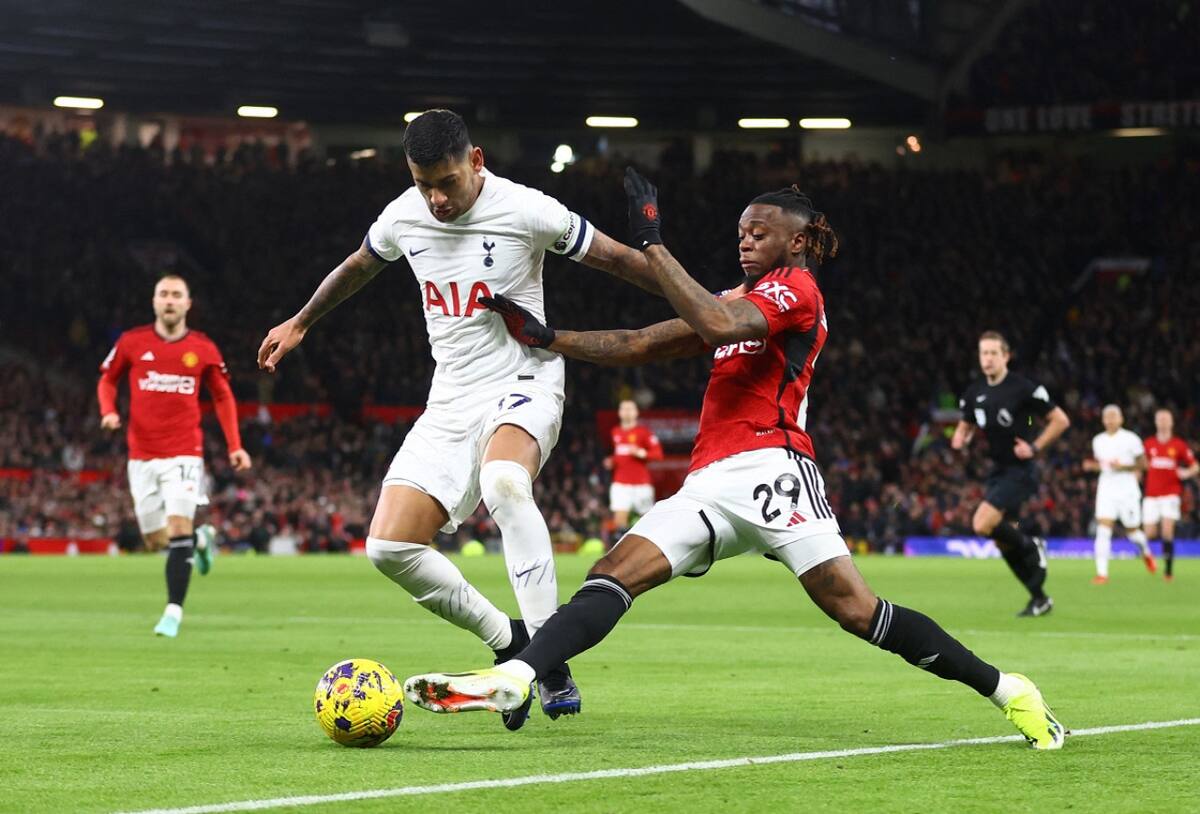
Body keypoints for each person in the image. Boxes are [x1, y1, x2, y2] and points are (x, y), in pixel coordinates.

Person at [402, 168, 1066, 751]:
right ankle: (517, 677)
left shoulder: (797, 290)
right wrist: (553, 338)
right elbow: (641, 342)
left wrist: (653, 245)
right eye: (741, 231)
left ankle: (1010, 690)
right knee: (614, 573)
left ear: (797, 240)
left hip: (775, 469)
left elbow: (719, 328)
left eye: (760, 231)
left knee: (857, 611)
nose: (745, 239)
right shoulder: (736, 298)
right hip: (712, 483)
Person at [256, 110, 665, 729]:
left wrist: (712, 308)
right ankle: (509, 642)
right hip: (450, 398)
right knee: (388, 547)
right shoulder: (403, 215)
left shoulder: (529, 210)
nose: (437, 198)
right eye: (425, 185)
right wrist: (301, 321)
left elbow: (617, 261)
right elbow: (358, 266)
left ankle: (547, 661)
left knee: (504, 482)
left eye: (447, 181)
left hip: (525, 378)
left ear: (477, 160)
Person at [97, 273, 252, 637]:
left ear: (187, 304)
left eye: (176, 295)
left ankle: (173, 612)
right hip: (141, 456)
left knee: (178, 526)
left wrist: (235, 445)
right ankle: (201, 540)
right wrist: (108, 411)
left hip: (184, 453)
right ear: (154, 302)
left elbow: (223, 396)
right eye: (163, 294)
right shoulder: (132, 343)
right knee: (155, 540)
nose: (169, 300)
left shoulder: (203, 348)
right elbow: (107, 379)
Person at [951, 332, 1070, 617]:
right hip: (997, 470)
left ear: (1006, 356)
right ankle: (1039, 598)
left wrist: (1035, 447)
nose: (988, 359)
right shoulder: (974, 393)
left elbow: (1060, 420)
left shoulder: (1022, 388)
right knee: (1002, 540)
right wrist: (959, 439)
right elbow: (964, 425)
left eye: (994, 353)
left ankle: (1034, 545)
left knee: (981, 523)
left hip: (1020, 470)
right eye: (984, 353)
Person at [1083, 405, 1153, 583]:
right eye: (1107, 416)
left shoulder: (1131, 439)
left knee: (1133, 532)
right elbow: (1104, 465)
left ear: (1121, 419)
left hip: (1127, 490)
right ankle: (1102, 574)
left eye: (1114, 416)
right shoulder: (1098, 440)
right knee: (1103, 530)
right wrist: (1093, 466)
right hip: (1106, 489)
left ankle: (1145, 551)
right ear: (1103, 420)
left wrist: (1124, 467)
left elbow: (1144, 465)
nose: (1110, 420)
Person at [1142, 408, 1198, 581]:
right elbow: (1141, 465)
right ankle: (1150, 559)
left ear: (1172, 422)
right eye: (1160, 419)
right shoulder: (1148, 444)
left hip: (1170, 494)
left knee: (1167, 532)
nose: (1163, 422)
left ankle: (1168, 572)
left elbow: (1195, 465)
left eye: (1166, 419)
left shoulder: (1178, 445)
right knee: (1149, 533)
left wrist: (1186, 473)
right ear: (1156, 422)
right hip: (1151, 494)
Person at [605, 399, 663, 539]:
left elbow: (658, 454)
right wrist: (612, 461)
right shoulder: (615, 432)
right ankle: (621, 553)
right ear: (619, 412)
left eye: (630, 408)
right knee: (619, 520)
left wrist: (641, 453)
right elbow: (620, 455)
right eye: (623, 408)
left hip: (641, 484)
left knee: (647, 522)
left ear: (636, 412)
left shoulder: (644, 432)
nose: (626, 411)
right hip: (620, 483)